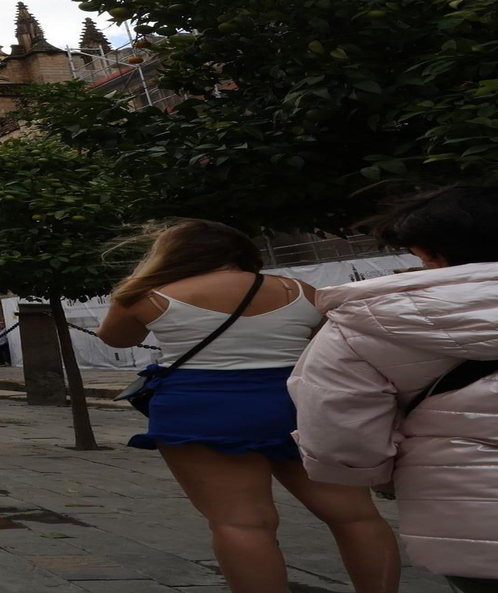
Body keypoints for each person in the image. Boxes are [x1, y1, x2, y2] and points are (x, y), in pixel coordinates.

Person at [97, 219, 399, 593]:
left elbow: (116, 338)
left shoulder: (150, 295)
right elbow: (322, 343)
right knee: (355, 517)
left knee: (241, 523)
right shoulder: (298, 289)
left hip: (202, 406)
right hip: (296, 402)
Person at [289, 180, 498, 592]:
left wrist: (380, 476)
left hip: (476, 516)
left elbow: (340, 430)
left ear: (430, 252)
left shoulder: (360, 324)